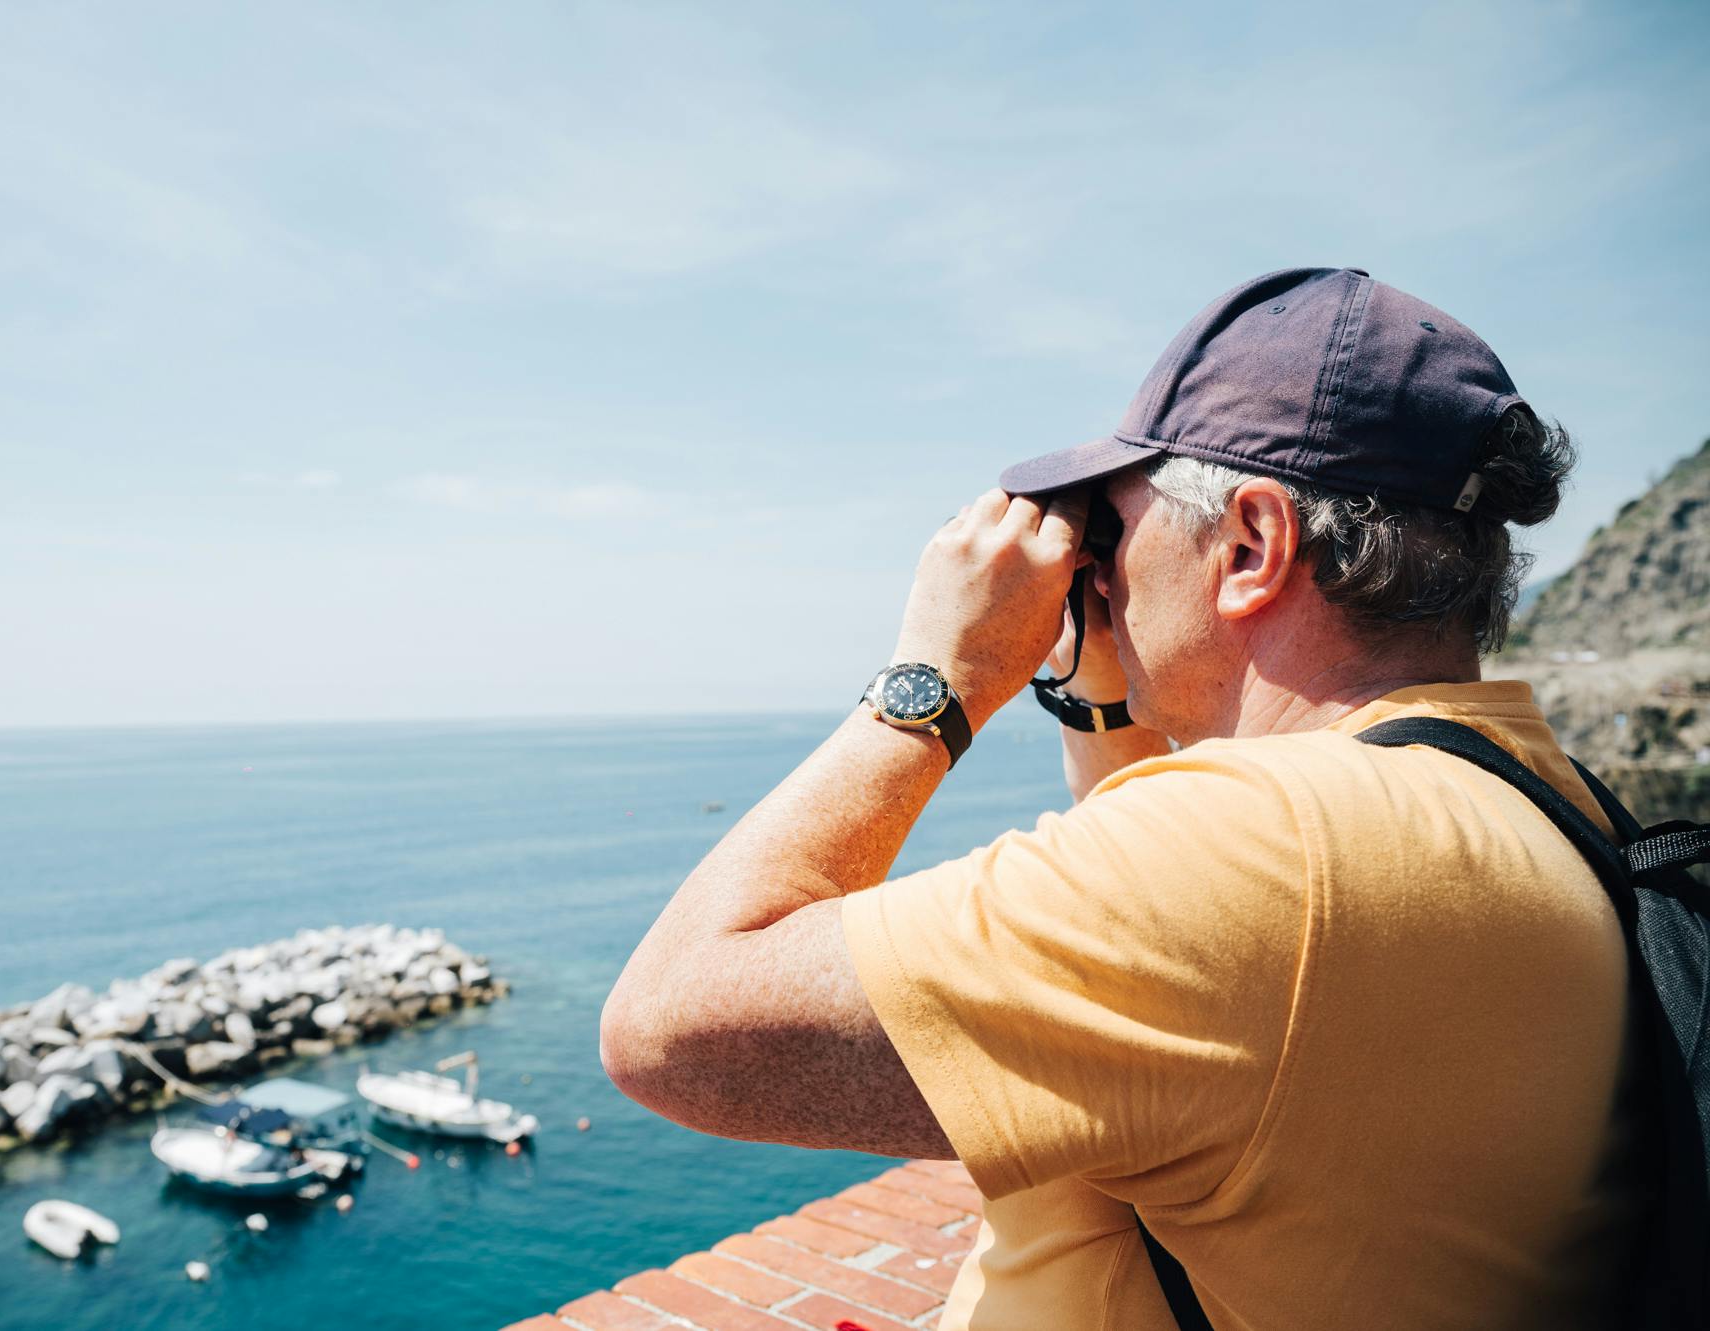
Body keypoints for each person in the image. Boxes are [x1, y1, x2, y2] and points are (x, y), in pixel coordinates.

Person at [600, 267, 1637, 1329]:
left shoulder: (1267, 854)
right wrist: (1103, 690)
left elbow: (668, 1029)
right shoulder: (1546, 802)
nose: (1095, 572)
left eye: (1114, 530)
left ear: (1249, 544)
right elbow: (1182, 997)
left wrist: (938, 677)